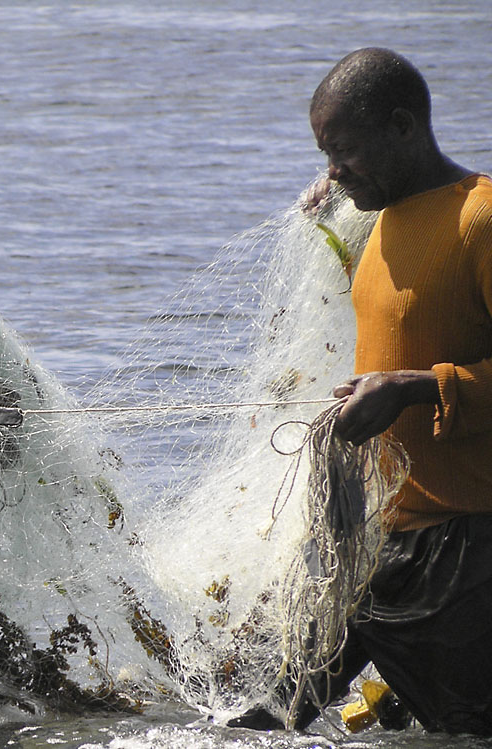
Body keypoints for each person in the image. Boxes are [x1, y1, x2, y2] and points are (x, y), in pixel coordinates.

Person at [233, 48, 492, 735]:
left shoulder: (481, 220)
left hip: (468, 545)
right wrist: (370, 391)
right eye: (326, 152)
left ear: (403, 128)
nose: (332, 171)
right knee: (272, 715)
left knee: (464, 725)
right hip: (381, 542)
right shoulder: (378, 229)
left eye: (344, 150)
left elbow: (418, 374)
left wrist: (412, 387)